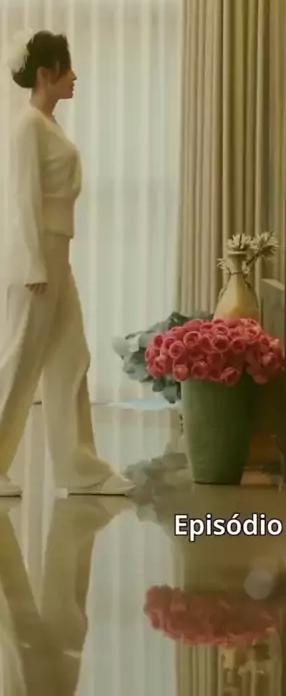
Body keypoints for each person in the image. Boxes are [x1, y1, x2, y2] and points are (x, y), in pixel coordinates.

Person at [0, 29, 135, 497]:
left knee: (71, 358)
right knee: (20, 365)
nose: (74, 76)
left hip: (56, 256)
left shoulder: (47, 123)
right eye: (67, 68)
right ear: (46, 74)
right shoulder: (28, 126)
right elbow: (23, 199)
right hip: (35, 261)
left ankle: (81, 471)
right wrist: (35, 263)